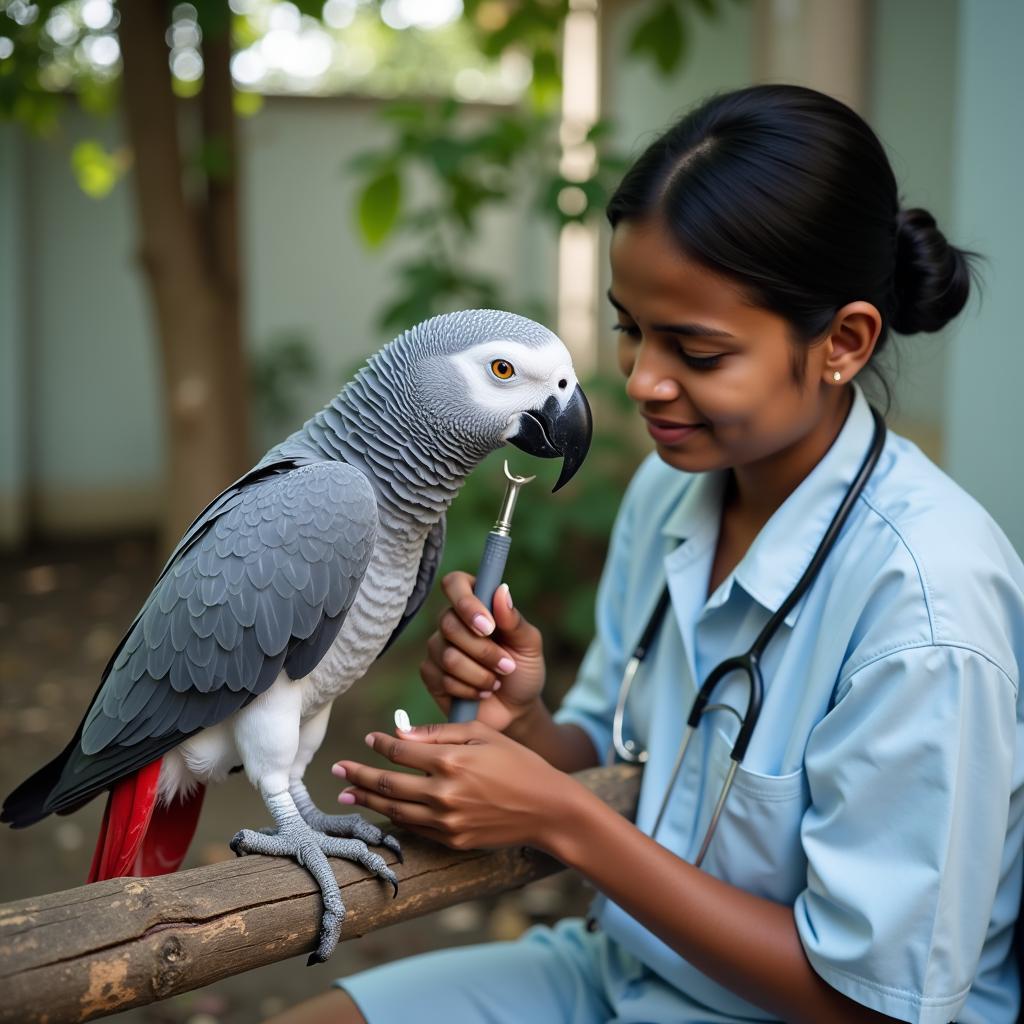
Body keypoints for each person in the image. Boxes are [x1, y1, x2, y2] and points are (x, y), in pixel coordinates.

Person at [268, 84, 1024, 1024]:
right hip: (622, 971)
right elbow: (610, 750)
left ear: (844, 342)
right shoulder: (674, 490)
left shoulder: (930, 610)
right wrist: (527, 725)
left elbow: (877, 1004)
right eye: (630, 328)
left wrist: (558, 815)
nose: (641, 381)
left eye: (698, 352)